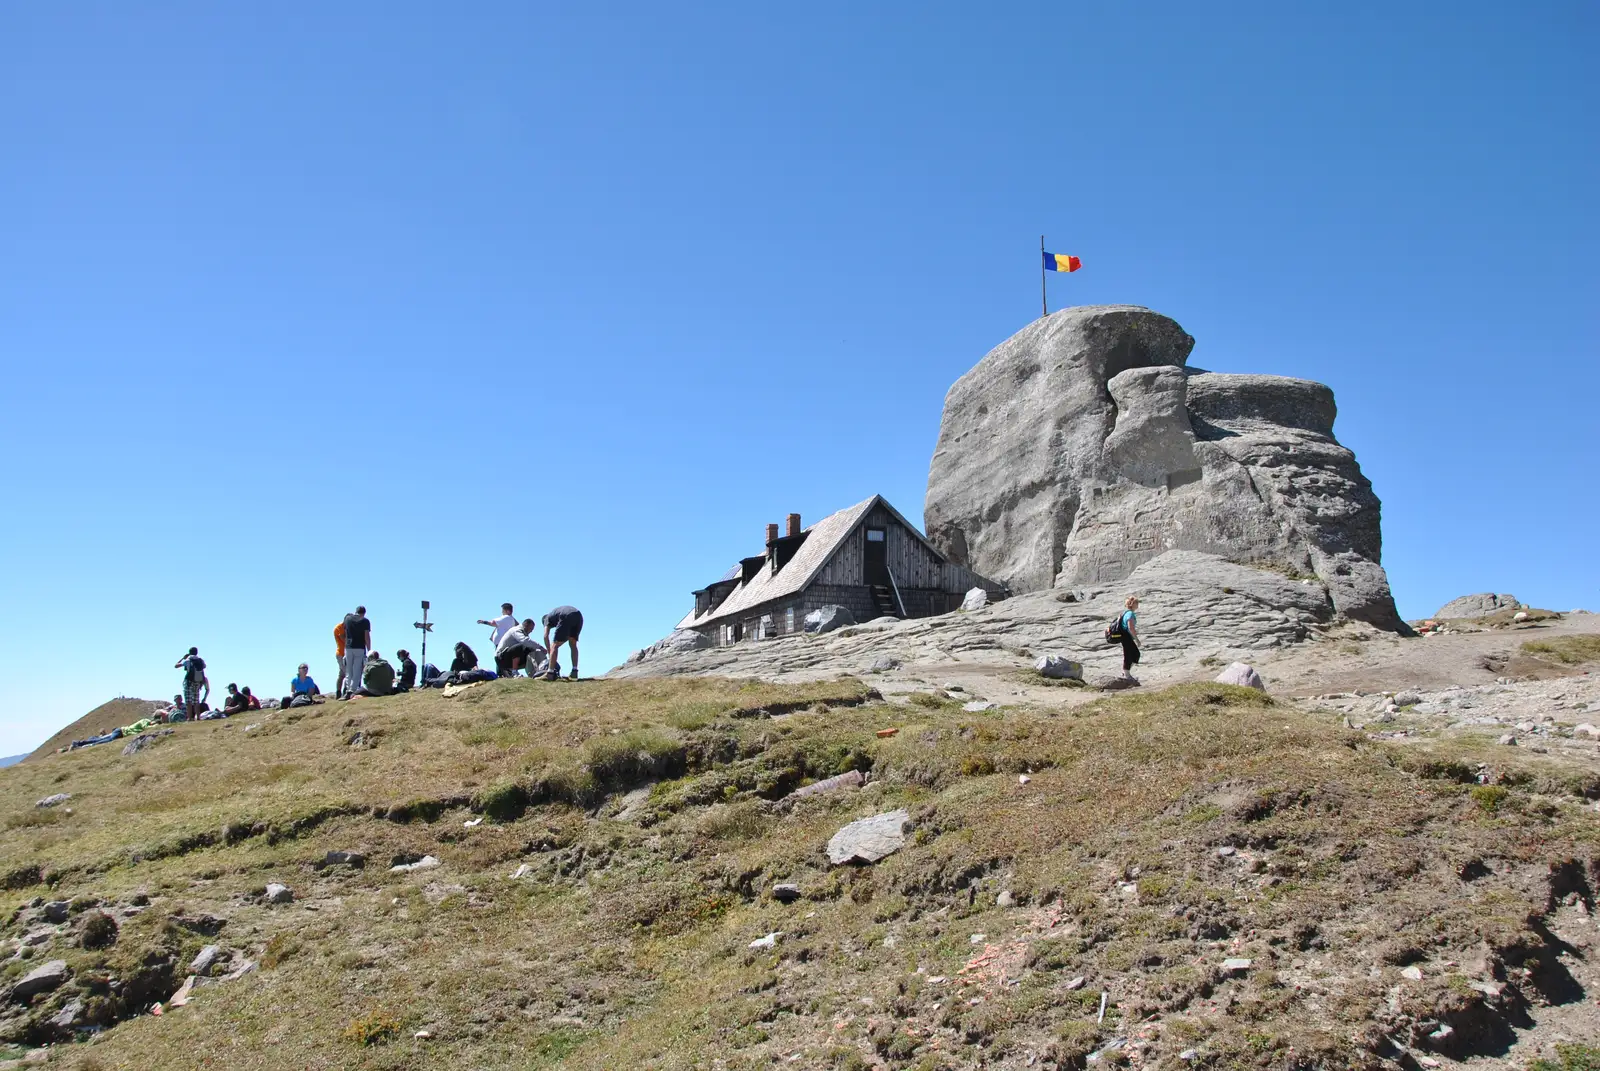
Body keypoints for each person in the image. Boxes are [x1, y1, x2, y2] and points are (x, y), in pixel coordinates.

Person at [540, 606, 583, 681]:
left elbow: (545, 636)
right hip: (578, 615)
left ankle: (549, 673)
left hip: (566, 616)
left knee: (554, 645)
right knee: (573, 644)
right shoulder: (554, 615)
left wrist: (549, 651)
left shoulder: (546, 619)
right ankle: (574, 672)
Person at [342, 606, 372, 701]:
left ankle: (347, 690)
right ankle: (352, 691)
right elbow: (366, 636)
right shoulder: (365, 621)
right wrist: (369, 650)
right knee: (357, 670)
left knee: (348, 670)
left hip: (348, 647)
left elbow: (344, 632)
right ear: (364, 613)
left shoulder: (347, 618)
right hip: (359, 647)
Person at [175, 648, 210, 719]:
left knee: (188, 701)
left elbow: (176, 666)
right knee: (196, 701)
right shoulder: (200, 660)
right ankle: (198, 717)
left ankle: (190, 718)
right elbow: (204, 666)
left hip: (188, 682)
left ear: (189, 653)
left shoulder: (188, 660)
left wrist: (183, 658)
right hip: (197, 681)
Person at [1119, 595, 1141, 680]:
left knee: (1133, 655)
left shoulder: (1126, 613)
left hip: (1126, 637)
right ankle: (1126, 674)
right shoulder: (1130, 614)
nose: (1138, 604)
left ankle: (1125, 672)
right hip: (1126, 637)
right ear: (1132, 604)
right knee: (1132, 655)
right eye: (1136, 603)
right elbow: (1130, 627)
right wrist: (1137, 639)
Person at [334, 618, 348, 698]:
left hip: (347, 654)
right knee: (347, 673)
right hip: (341, 654)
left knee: (341, 674)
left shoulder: (347, 627)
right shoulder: (339, 627)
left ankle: (340, 693)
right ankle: (343, 691)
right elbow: (344, 639)